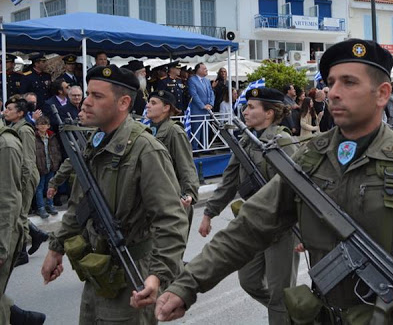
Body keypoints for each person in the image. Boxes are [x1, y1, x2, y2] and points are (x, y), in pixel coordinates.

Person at [156, 39, 393, 324]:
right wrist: (186, 284)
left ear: (382, 94)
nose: (332, 92)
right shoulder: (308, 160)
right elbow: (249, 228)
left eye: (348, 82)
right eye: (330, 82)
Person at [41, 64, 188, 324]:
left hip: (133, 274)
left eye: (97, 96)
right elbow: (78, 205)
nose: (85, 103)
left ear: (123, 103)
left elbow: (171, 221)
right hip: (99, 272)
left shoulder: (145, 150)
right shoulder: (96, 143)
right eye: (87, 94)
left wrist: (158, 276)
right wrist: (56, 248)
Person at [196, 87, 299, 324]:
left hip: (281, 230)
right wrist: (209, 213)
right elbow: (229, 180)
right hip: (253, 226)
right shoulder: (245, 140)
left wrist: (303, 230)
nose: (245, 110)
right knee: (249, 282)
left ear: (269, 113)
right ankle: (292, 315)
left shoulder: (281, 141)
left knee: (280, 294)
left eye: (252, 107)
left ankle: (284, 313)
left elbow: (299, 187)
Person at [0, 118, 46, 325]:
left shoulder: (6, 144)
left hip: (4, 231)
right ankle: (23, 318)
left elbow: (8, 199)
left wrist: (2, 247)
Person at [145, 90, 199, 235]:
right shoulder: (147, 131)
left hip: (174, 199)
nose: (148, 106)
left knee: (171, 250)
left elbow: (186, 165)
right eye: (149, 102)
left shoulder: (174, 131)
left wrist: (189, 193)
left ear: (166, 107)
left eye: (153, 103)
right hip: (154, 199)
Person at [2, 97, 43, 266]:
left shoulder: (24, 130)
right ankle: (37, 235)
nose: (6, 111)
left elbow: (27, 160)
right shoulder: (13, 127)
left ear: (20, 113)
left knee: (20, 214)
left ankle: (21, 252)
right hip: (18, 174)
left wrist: (23, 183)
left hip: (25, 175)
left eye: (10, 109)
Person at [34, 116, 63, 218]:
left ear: (48, 126)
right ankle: (41, 207)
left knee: (50, 186)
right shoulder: (34, 138)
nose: (42, 126)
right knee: (39, 188)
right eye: (40, 124)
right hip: (40, 167)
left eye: (45, 124)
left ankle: (50, 205)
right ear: (36, 126)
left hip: (51, 166)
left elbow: (57, 151)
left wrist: (56, 162)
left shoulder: (52, 137)